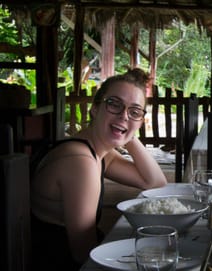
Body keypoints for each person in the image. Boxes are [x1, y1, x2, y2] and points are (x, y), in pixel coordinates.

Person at [30, 68, 168, 270]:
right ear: (95, 108)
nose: (124, 115)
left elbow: (155, 183)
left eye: (135, 111)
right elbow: (83, 254)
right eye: (114, 104)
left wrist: (128, 132)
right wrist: (127, 124)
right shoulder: (80, 161)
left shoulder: (98, 151)